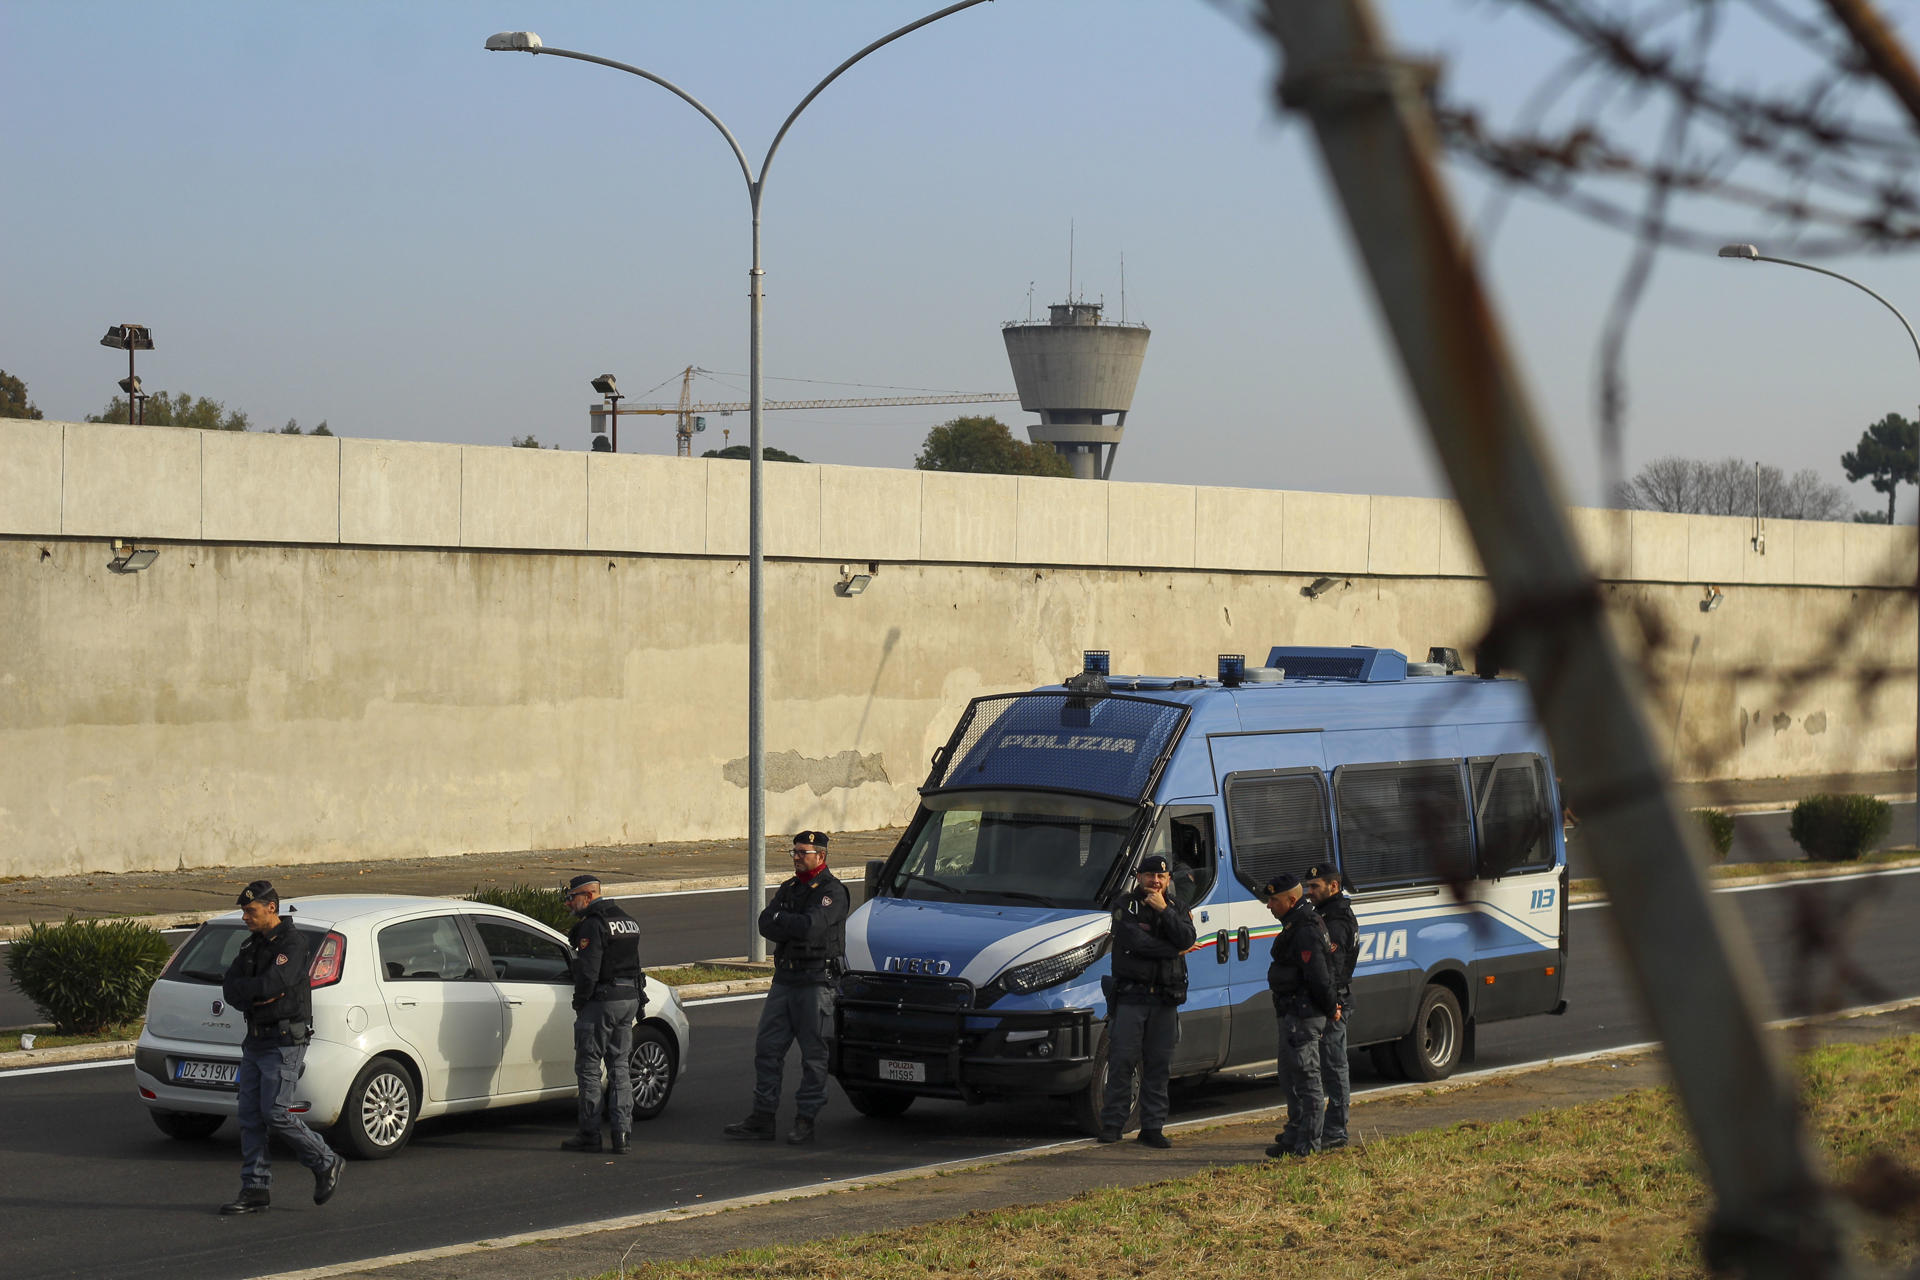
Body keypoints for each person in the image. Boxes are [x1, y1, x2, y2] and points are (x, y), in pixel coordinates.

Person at [218, 881, 344, 1215]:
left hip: (284, 1041)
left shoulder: (293, 943)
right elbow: (230, 988)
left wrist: (255, 990)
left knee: (276, 1112)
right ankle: (255, 1189)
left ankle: (325, 1160)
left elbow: (276, 984)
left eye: (251, 911)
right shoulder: (252, 946)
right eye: (245, 911)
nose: (245, 917)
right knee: (248, 1117)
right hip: (256, 1040)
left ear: (271, 907)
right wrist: (255, 991)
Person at [723, 831, 849, 1145]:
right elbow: (765, 923)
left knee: (813, 1056)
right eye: (793, 851)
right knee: (767, 1050)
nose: (795, 857)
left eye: (802, 852)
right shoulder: (790, 888)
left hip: (815, 982)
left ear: (820, 856)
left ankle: (805, 1119)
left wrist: (785, 920)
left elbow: (811, 928)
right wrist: (788, 920)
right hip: (785, 980)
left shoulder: (832, 891)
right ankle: (762, 1117)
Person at [1098, 853, 1197, 1148]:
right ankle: (1113, 1124)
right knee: (1122, 1063)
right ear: (1139, 877)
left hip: (1165, 1000)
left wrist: (1165, 910)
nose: (1156, 881)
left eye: (1162, 877)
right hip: (1131, 997)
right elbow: (1135, 943)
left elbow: (1187, 938)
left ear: (1168, 880)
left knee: (1158, 1066)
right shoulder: (1124, 905)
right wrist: (1174, 951)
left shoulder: (1176, 906)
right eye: (1151, 876)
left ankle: (1152, 1127)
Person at [561, 874, 645, 1154]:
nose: (569, 904)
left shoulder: (593, 925)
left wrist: (579, 1002)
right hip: (629, 998)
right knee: (620, 1066)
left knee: (589, 1068)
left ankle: (590, 1134)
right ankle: (622, 1135)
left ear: (588, 895)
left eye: (572, 898)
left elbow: (588, 972)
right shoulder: (628, 920)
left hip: (602, 1001)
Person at [1257, 873, 1338, 1159]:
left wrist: (1331, 1008)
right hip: (1292, 1012)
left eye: (1274, 900)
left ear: (1291, 900)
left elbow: (1319, 975)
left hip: (1303, 1014)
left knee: (1307, 1079)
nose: (1269, 905)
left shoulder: (1305, 928)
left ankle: (1309, 1144)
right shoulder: (1295, 923)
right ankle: (1294, 1136)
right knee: (1291, 1078)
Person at [1302, 864, 1357, 1150]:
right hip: (1325, 1000)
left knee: (1334, 1068)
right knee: (1323, 1066)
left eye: (1315, 887)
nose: (1309, 892)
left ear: (1333, 887)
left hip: (1334, 1002)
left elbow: (1332, 968)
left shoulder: (1336, 921)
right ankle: (1320, 1127)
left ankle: (1336, 1130)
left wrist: (1331, 1003)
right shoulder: (1323, 915)